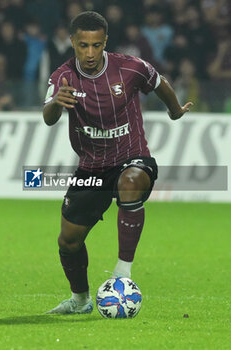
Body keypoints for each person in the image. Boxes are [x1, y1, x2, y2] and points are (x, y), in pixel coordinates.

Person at [43, 11, 192, 315]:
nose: (90, 53)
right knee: (69, 241)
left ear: (105, 42)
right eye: (83, 45)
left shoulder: (130, 67)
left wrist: (174, 110)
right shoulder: (63, 76)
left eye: (96, 45)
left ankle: (122, 273)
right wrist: (57, 102)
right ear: (73, 42)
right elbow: (47, 116)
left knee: (131, 183)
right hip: (92, 168)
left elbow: (158, 81)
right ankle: (81, 300)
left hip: (131, 157)